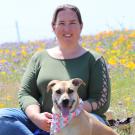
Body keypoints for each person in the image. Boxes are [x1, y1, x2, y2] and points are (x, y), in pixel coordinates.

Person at [0, 4, 111, 135]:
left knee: (82, 125)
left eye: (73, 22)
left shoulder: (94, 59)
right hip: (43, 120)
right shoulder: (39, 57)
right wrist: (36, 117)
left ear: (81, 26)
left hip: (81, 119)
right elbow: (25, 93)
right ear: (54, 27)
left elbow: (101, 100)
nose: (67, 28)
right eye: (62, 23)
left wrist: (70, 112)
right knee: (3, 118)